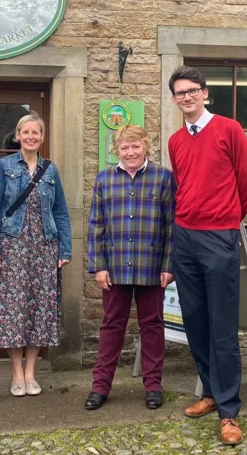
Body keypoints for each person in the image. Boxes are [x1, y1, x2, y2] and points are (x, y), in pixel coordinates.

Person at [167, 66, 247, 446]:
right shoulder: (175, 140)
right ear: (174, 99)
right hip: (185, 236)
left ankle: (229, 411)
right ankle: (209, 392)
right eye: (179, 93)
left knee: (222, 328)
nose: (186, 97)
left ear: (205, 93)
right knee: (195, 322)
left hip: (218, 236)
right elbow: (184, 185)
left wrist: (227, 221)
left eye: (192, 91)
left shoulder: (229, 129)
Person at [85, 125, 176, 411]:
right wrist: (99, 266)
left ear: (145, 146)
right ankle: (100, 387)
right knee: (112, 326)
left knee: (152, 326)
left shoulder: (164, 179)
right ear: (117, 151)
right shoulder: (104, 180)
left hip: (152, 266)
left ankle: (153, 385)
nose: (130, 152)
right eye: (124, 147)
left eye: (135, 146)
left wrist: (169, 265)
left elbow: (172, 226)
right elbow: (96, 226)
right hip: (115, 267)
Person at [0, 114, 71, 397]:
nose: (31, 136)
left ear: (42, 137)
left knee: (39, 310)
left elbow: (60, 211)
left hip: (44, 246)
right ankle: (16, 373)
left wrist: (64, 248)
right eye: (26, 132)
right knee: (13, 310)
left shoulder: (51, 170)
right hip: (12, 246)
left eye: (36, 132)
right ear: (18, 135)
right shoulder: (4, 166)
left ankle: (31, 372)